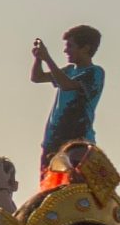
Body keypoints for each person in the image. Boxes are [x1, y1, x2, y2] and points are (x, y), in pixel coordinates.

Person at [32, 24, 107, 174]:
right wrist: (39, 58)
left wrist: (48, 58)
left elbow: (66, 84)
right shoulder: (69, 70)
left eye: (70, 46)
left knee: (73, 187)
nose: (66, 50)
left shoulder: (95, 72)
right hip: (53, 140)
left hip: (78, 143)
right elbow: (37, 77)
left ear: (85, 48)